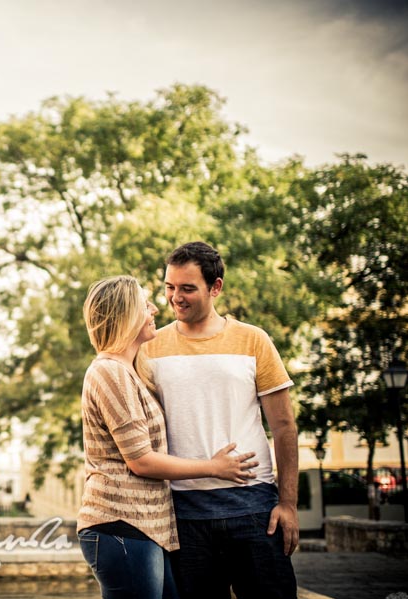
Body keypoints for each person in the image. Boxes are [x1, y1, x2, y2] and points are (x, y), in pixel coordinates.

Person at [78, 275, 259, 599]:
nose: (154, 309)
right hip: (122, 525)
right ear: (126, 315)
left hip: (144, 529)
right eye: (145, 304)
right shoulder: (110, 372)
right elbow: (141, 461)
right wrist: (213, 467)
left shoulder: (130, 371)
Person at [142, 241, 299, 599]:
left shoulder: (253, 340)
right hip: (184, 515)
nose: (175, 297)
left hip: (256, 510)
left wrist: (288, 504)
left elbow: (284, 426)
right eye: (169, 287)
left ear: (215, 287)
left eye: (187, 288)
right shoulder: (150, 348)